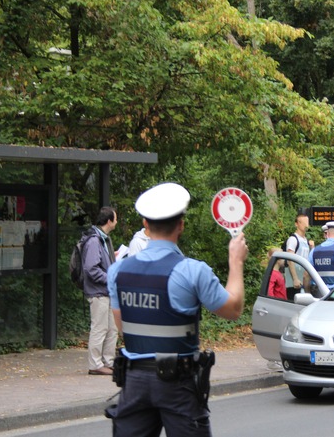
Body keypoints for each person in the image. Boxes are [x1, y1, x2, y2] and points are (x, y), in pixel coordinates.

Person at [106, 182, 248, 437]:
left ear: (145, 225)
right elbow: (234, 309)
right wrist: (235, 262)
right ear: (181, 225)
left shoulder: (117, 271)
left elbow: (122, 327)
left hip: (134, 382)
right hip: (178, 384)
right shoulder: (192, 271)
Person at [82, 206, 119, 376]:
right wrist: (110, 278)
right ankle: (95, 364)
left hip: (107, 292)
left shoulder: (103, 239)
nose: (117, 222)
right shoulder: (94, 240)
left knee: (112, 328)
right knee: (100, 327)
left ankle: (107, 362)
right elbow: (91, 268)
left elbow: (100, 263)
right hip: (98, 292)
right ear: (109, 221)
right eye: (116, 219)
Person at [284, 213, 313, 300]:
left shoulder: (306, 241)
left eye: (306, 222)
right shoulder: (293, 239)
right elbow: (290, 259)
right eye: (302, 222)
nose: (305, 225)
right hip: (294, 280)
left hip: (304, 279)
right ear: (296, 224)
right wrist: (295, 278)